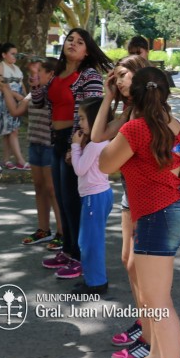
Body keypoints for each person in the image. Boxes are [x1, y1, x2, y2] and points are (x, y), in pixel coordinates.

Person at [99, 67, 180, 358]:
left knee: (158, 301)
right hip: (177, 211)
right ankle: (155, 356)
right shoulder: (176, 126)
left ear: (132, 97)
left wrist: (115, 110)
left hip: (158, 217)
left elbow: (104, 164)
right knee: (156, 297)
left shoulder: (136, 129)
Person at [35, 28, 113, 281]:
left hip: (74, 141)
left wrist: (75, 146)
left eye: (80, 42)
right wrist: (37, 82)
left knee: (72, 201)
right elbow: (40, 101)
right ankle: (68, 249)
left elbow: (90, 114)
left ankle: (79, 256)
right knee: (62, 199)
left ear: (87, 50)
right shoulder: (58, 72)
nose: (73, 44)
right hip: (56, 141)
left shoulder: (88, 75)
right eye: (70, 40)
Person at [91, 55, 152, 358]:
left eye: (123, 75)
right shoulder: (130, 110)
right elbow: (96, 135)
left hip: (149, 197)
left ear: (140, 76)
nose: (118, 80)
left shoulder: (149, 112)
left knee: (144, 269)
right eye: (116, 77)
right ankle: (143, 321)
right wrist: (107, 96)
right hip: (131, 193)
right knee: (128, 262)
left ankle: (150, 337)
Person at [0, 57, 62, 247]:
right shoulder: (35, 93)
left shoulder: (56, 93)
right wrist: (6, 90)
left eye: (38, 71)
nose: (34, 76)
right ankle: (43, 229)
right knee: (39, 188)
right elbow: (15, 111)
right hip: (35, 144)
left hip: (50, 146)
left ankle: (62, 232)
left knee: (52, 190)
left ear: (50, 74)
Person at [70, 98, 113, 295]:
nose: (80, 123)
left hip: (94, 197)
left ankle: (96, 283)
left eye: (83, 118)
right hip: (98, 195)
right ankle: (92, 278)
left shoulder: (94, 145)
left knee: (89, 242)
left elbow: (79, 169)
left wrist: (75, 147)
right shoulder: (99, 143)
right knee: (88, 240)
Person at [0, 42, 30, 170]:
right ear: (4, 55)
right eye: (12, 54)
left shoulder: (16, 68)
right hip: (5, 101)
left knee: (10, 131)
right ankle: (20, 160)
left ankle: (6, 160)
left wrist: (25, 97)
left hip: (17, 100)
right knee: (12, 131)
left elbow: (22, 84)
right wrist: (15, 95)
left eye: (16, 54)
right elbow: (0, 85)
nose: (15, 56)